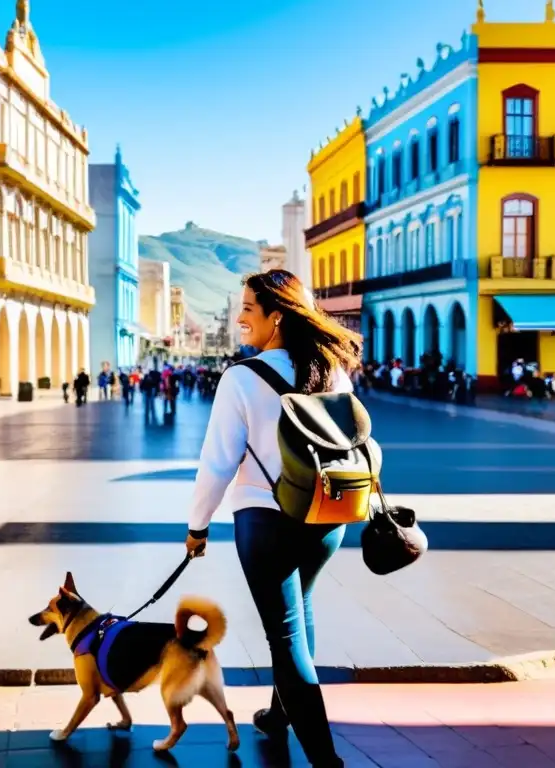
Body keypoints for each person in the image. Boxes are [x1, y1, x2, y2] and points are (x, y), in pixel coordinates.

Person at [184, 269, 361, 767]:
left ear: (276, 317)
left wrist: (198, 526)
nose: (240, 317)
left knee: (286, 639)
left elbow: (217, 463)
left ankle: (326, 760)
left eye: (247, 308)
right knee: (299, 615)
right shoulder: (333, 373)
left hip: (267, 520)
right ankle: (278, 717)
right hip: (327, 517)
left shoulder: (241, 378)